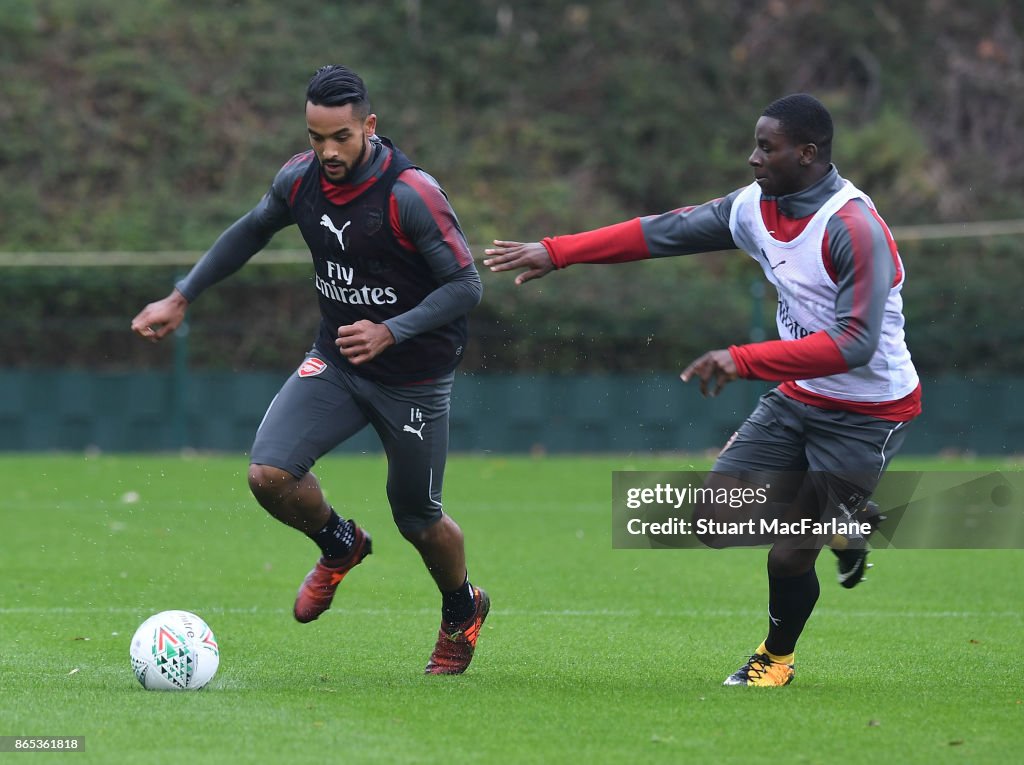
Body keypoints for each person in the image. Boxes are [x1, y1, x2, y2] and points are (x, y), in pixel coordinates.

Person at [484, 93, 920, 687]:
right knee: (715, 519)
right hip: (799, 395)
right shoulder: (753, 208)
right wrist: (558, 252)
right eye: (755, 145)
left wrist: (744, 359)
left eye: (767, 147)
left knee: (789, 552)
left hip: (868, 410)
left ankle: (777, 658)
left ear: (808, 153)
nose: (752, 158)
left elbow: (855, 345)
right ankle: (846, 520)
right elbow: (663, 232)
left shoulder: (854, 228)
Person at [131, 64, 489, 675]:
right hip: (337, 362)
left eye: (340, 137)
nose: (326, 151)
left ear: (369, 127)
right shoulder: (299, 181)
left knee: (417, 518)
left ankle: (463, 608)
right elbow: (248, 232)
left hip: (414, 379)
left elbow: (466, 285)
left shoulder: (411, 194)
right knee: (268, 474)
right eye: (315, 136)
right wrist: (182, 294)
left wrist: (392, 329)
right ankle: (340, 545)